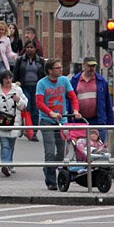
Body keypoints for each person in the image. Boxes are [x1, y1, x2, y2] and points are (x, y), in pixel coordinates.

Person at [36, 58, 82, 190]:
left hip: (62, 120)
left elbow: (72, 97)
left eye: (61, 67)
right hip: (47, 121)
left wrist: (75, 110)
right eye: (58, 68)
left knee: (62, 151)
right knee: (50, 151)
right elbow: (39, 102)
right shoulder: (42, 84)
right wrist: (51, 113)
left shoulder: (64, 81)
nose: (61, 70)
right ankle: (51, 180)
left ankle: (48, 168)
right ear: (50, 70)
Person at [0, 69, 27, 177]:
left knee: (11, 145)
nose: (8, 80)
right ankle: (5, 165)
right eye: (5, 78)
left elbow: (24, 106)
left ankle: (9, 164)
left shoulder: (17, 90)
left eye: (9, 78)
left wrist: (18, 100)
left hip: (14, 123)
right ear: (1, 80)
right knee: (5, 145)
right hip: (0, 123)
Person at [70, 56, 114, 142]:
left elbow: (108, 103)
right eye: (89, 66)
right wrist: (69, 120)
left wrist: (110, 124)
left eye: (93, 66)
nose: (92, 68)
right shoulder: (74, 81)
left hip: (98, 120)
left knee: (97, 149)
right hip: (79, 120)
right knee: (80, 149)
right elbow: (69, 100)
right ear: (83, 65)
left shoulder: (101, 81)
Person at [12, 39, 46, 138]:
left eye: (31, 47)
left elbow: (43, 75)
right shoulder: (20, 60)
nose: (29, 49)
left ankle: (34, 132)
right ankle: (25, 127)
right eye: (27, 47)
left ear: (35, 49)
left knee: (35, 110)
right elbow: (15, 74)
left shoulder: (40, 61)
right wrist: (16, 84)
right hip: (24, 87)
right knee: (27, 107)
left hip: (36, 87)